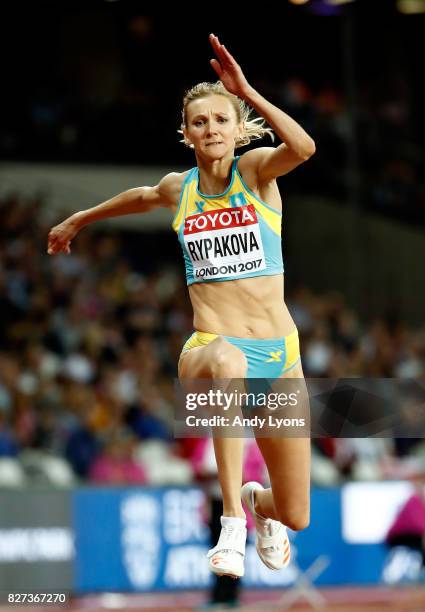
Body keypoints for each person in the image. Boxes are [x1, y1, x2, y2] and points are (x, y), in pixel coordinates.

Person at [47, 33, 315, 579]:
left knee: (297, 514)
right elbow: (142, 196)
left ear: (237, 129)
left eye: (221, 120)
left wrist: (247, 92)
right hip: (210, 349)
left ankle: (257, 504)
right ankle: (232, 520)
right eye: (200, 122)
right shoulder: (181, 189)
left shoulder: (256, 172)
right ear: (186, 132)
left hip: (281, 358)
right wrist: (80, 220)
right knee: (226, 362)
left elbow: (304, 148)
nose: (211, 130)